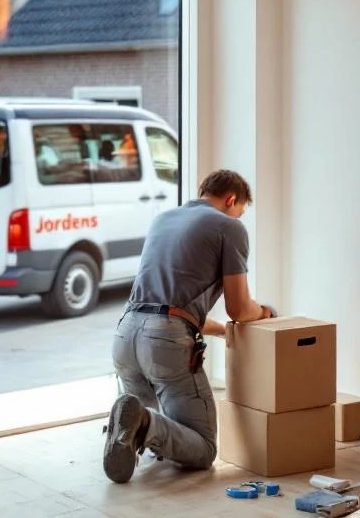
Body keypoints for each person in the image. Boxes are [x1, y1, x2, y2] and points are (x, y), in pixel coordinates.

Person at [103, 169, 275, 483]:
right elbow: (238, 308)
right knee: (204, 448)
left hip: (126, 331)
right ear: (232, 200)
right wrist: (263, 313)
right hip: (163, 341)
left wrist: (222, 330)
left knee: (163, 431)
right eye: (240, 211)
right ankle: (143, 424)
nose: (239, 217)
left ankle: (138, 426)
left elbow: (171, 308)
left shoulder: (163, 220)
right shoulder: (229, 228)